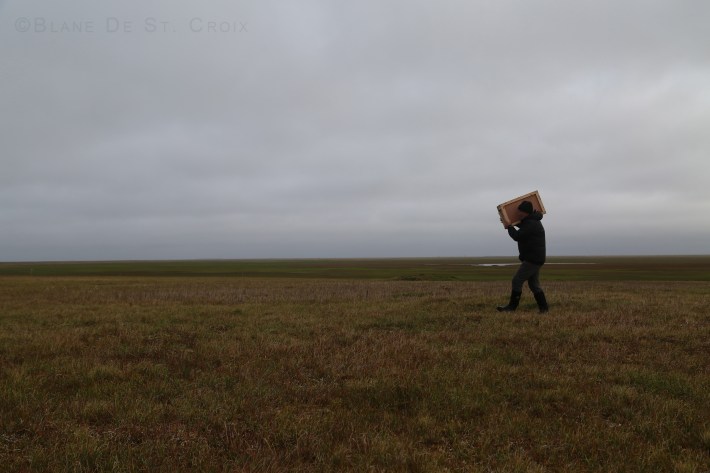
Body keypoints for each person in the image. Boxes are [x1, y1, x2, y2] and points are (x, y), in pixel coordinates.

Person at [497, 200, 549, 313]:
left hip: (532, 259)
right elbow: (520, 226)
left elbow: (517, 236)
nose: (518, 213)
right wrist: (507, 223)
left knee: (517, 280)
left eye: (519, 211)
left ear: (524, 212)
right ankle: (544, 309)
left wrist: (509, 226)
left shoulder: (531, 224)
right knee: (534, 284)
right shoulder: (530, 221)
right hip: (535, 258)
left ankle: (511, 308)